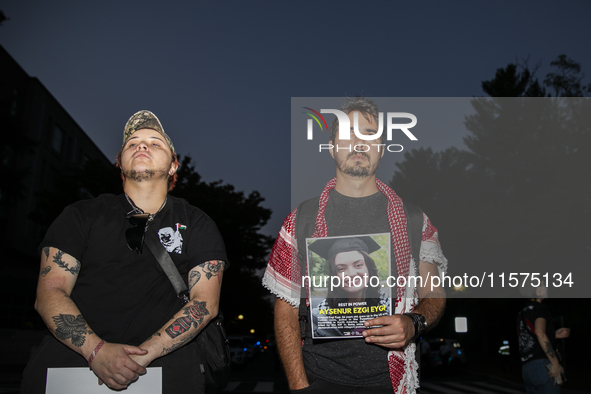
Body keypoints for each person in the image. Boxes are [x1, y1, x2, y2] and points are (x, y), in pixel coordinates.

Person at [21, 110, 227, 393]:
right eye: (132, 143)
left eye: (155, 143)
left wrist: (139, 358)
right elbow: (50, 292)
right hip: (70, 366)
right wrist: (97, 351)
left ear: (173, 166)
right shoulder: (80, 215)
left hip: (167, 370)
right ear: (119, 162)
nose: (142, 146)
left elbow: (204, 304)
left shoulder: (197, 222)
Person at [262, 97, 447, 393]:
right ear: (332, 147)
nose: (359, 143)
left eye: (369, 135)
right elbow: (284, 312)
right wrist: (299, 386)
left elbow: (434, 294)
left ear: (382, 150)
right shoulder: (301, 219)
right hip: (318, 378)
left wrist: (414, 323)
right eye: (348, 135)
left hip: (391, 382)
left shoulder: (414, 219)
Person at [308, 236, 390, 338]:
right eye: (341, 268)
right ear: (334, 276)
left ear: (369, 268)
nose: (351, 274)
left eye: (358, 265)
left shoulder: (389, 305)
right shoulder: (320, 316)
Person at [518, 285, 570, 393]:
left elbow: (529, 338)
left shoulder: (521, 313)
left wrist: (553, 334)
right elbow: (540, 333)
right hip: (543, 366)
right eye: (544, 286)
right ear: (537, 290)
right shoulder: (540, 308)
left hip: (527, 369)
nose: (547, 288)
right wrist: (555, 363)